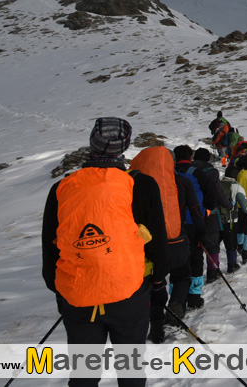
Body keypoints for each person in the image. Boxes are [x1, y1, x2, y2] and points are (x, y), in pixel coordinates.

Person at [42, 117, 167, 386]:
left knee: (84, 374)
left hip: (77, 296)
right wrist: (158, 280)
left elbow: (50, 247)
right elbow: (157, 242)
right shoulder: (140, 185)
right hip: (129, 293)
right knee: (130, 370)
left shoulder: (62, 188)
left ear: (91, 144)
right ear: (125, 146)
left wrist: (60, 290)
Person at [129, 145, 203, 343]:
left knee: (153, 284)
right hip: (178, 242)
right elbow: (195, 209)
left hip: (147, 246)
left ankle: (154, 326)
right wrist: (200, 232)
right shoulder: (182, 182)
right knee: (181, 277)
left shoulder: (135, 184)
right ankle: (175, 313)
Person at [173, 145, 218, 309]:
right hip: (195, 221)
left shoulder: (170, 173)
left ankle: (176, 299)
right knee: (196, 259)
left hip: (173, 224)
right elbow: (210, 194)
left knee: (177, 262)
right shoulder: (197, 173)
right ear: (190, 156)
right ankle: (194, 296)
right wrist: (205, 211)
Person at [191, 147, 233, 283]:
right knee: (212, 244)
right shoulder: (211, 172)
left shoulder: (187, 170)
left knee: (193, 245)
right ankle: (212, 273)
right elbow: (218, 192)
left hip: (189, 212)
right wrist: (228, 205)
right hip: (209, 212)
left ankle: (194, 275)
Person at [219, 165, 247, 273]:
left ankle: (213, 269)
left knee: (214, 246)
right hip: (230, 220)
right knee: (231, 245)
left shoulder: (217, 183)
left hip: (216, 219)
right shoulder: (236, 186)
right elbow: (245, 205)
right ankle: (231, 265)